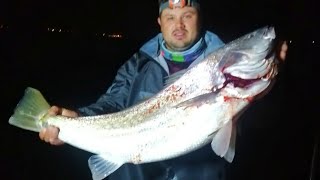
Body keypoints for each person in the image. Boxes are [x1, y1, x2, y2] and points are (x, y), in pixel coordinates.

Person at [39, 0, 288, 179]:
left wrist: (268, 86)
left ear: (199, 17)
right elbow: (112, 104)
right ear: (160, 22)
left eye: (187, 15)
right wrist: (77, 119)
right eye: (170, 17)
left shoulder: (218, 64)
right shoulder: (138, 64)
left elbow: (258, 128)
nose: (178, 24)